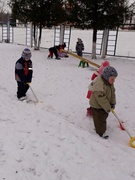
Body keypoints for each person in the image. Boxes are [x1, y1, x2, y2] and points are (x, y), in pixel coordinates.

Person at [89, 66, 118, 139]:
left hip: (104, 105)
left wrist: (112, 103)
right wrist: (108, 107)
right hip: (97, 106)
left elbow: (112, 93)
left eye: (114, 79)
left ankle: (99, 126)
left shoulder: (109, 82)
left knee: (104, 116)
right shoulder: (99, 85)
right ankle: (100, 132)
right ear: (106, 77)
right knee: (100, 119)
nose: (114, 81)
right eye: (112, 79)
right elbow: (101, 98)